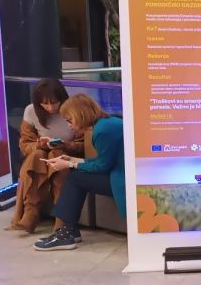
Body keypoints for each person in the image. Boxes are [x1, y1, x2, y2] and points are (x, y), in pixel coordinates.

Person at [33, 94, 125, 251]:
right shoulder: (107, 123)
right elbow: (103, 162)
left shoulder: (102, 131)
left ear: (80, 115)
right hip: (121, 173)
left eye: (69, 120)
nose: (69, 125)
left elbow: (102, 167)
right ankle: (69, 230)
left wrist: (69, 164)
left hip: (123, 179)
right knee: (76, 175)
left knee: (75, 178)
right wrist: (72, 160)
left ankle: (67, 232)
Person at [9, 78, 84, 233]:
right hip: (41, 155)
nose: (50, 108)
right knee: (37, 154)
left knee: (56, 154)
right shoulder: (31, 111)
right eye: (45, 104)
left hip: (69, 155)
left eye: (54, 102)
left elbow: (83, 143)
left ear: (62, 98)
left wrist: (64, 145)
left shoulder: (73, 109)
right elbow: (25, 144)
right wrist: (40, 144)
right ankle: (31, 211)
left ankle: (61, 217)